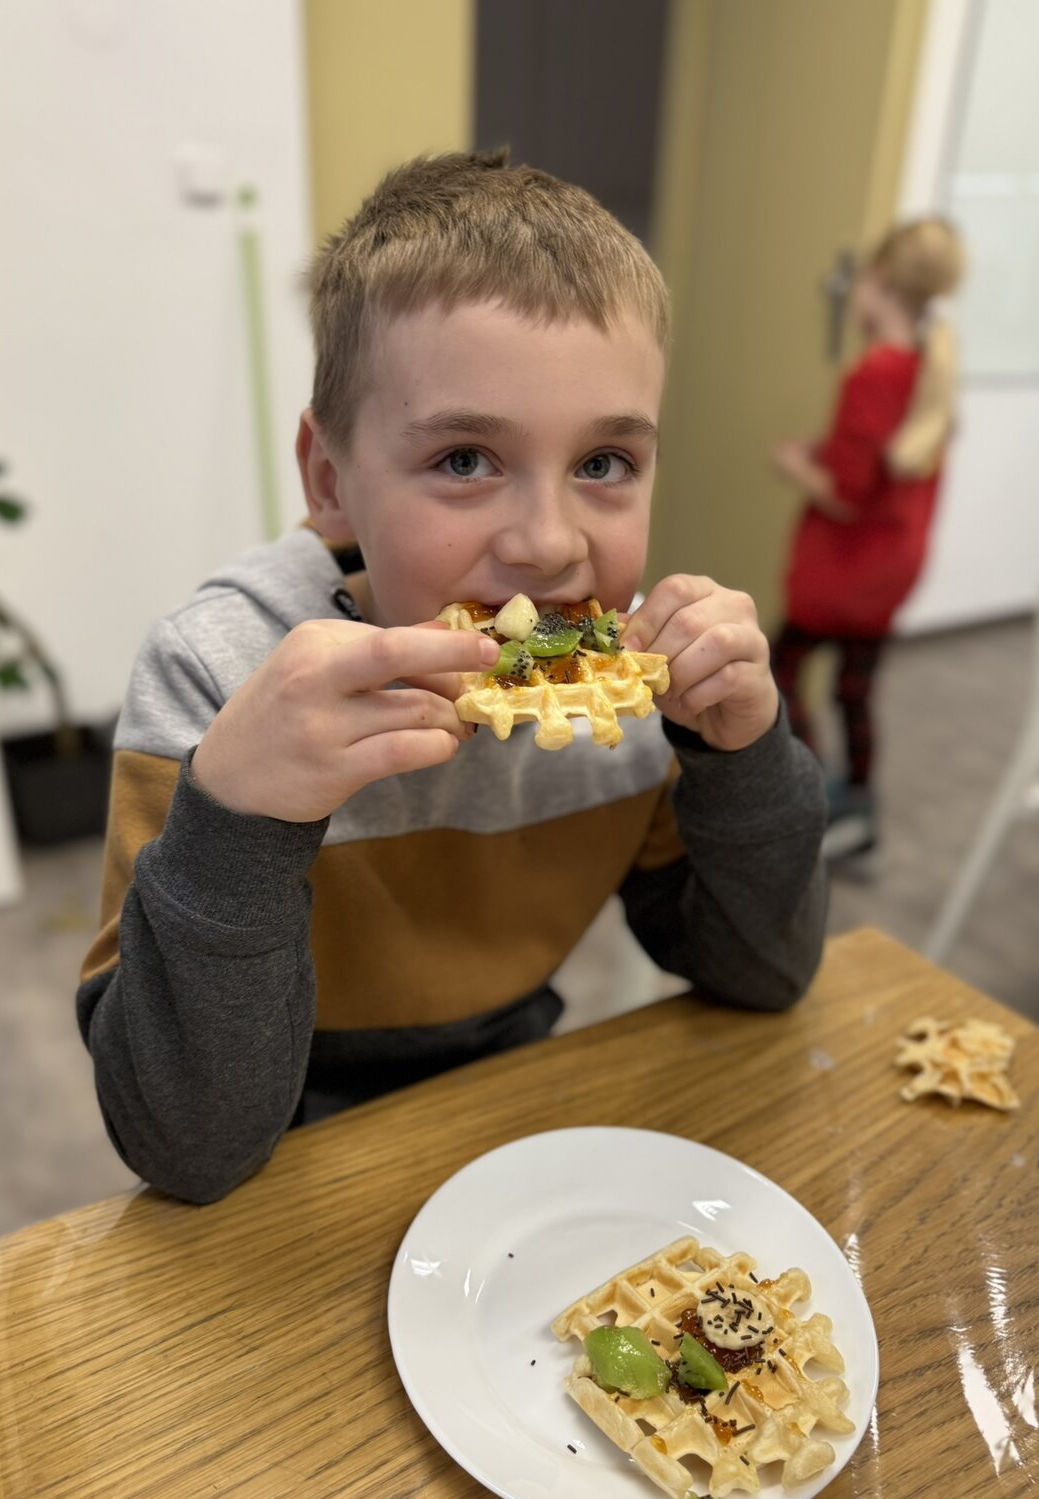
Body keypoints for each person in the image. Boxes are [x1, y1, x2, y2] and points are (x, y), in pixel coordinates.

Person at [77, 151, 828, 1204]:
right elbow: (188, 1148)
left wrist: (741, 757)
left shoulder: (633, 699)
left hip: (519, 1122)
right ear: (331, 480)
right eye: (465, 460)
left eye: (604, 464)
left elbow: (762, 975)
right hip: (281, 1170)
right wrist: (237, 818)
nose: (549, 544)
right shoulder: (215, 678)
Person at [771, 217, 965, 861]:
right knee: (854, 688)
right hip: (892, 568)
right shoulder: (929, 370)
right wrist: (826, 450)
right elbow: (879, 464)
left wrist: (794, 465)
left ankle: (814, 795)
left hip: (846, 570)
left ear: (878, 282)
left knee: (779, 671)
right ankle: (860, 800)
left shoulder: (872, 374)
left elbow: (846, 494)